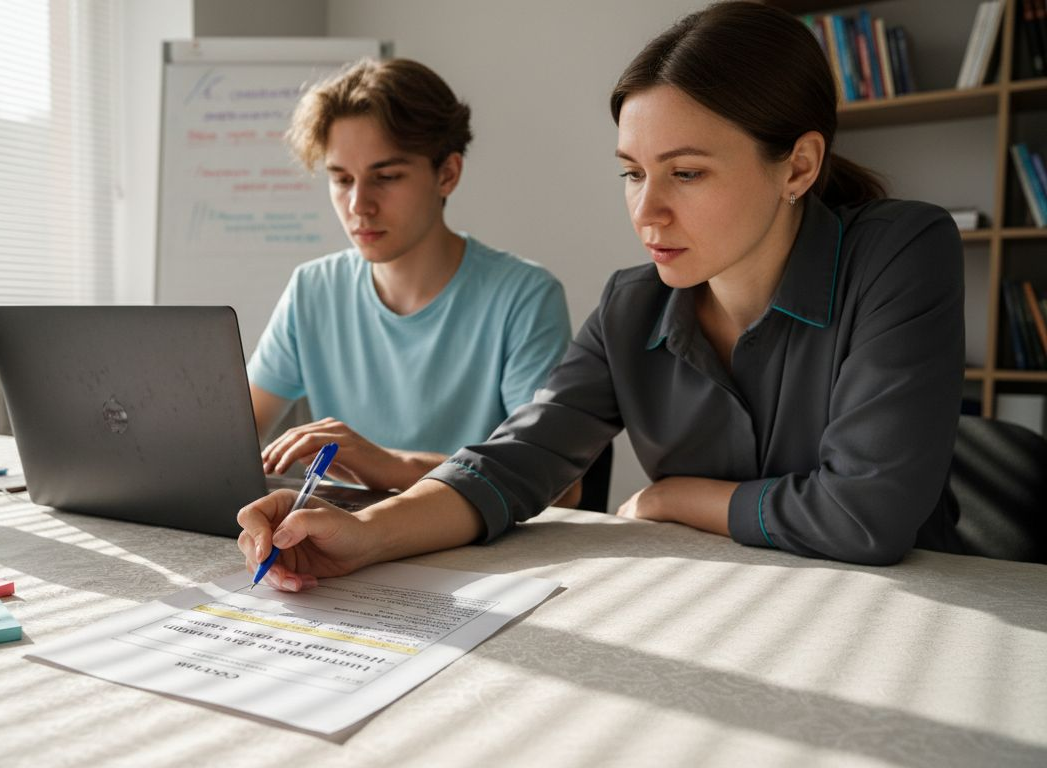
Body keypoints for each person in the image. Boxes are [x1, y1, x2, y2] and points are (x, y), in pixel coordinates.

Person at [237, 1, 966, 589]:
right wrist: (365, 535)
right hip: (729, 605)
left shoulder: (900, 252)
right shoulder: (632, 305)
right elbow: (510, 463)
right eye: (631, 173)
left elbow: (866, 515)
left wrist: (678, 497)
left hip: (909, 615)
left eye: (686, 173)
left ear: (799, 166)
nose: (646, 212)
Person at [248, 58, 573, 496]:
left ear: (448, 174)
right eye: (342, 179)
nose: (359, 205)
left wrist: (385, 464)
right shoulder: (313, 290)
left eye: (386, 177)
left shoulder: (523, 296)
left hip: (469, 547)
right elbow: (228, 441)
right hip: (337, 541)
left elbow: (557, 486)